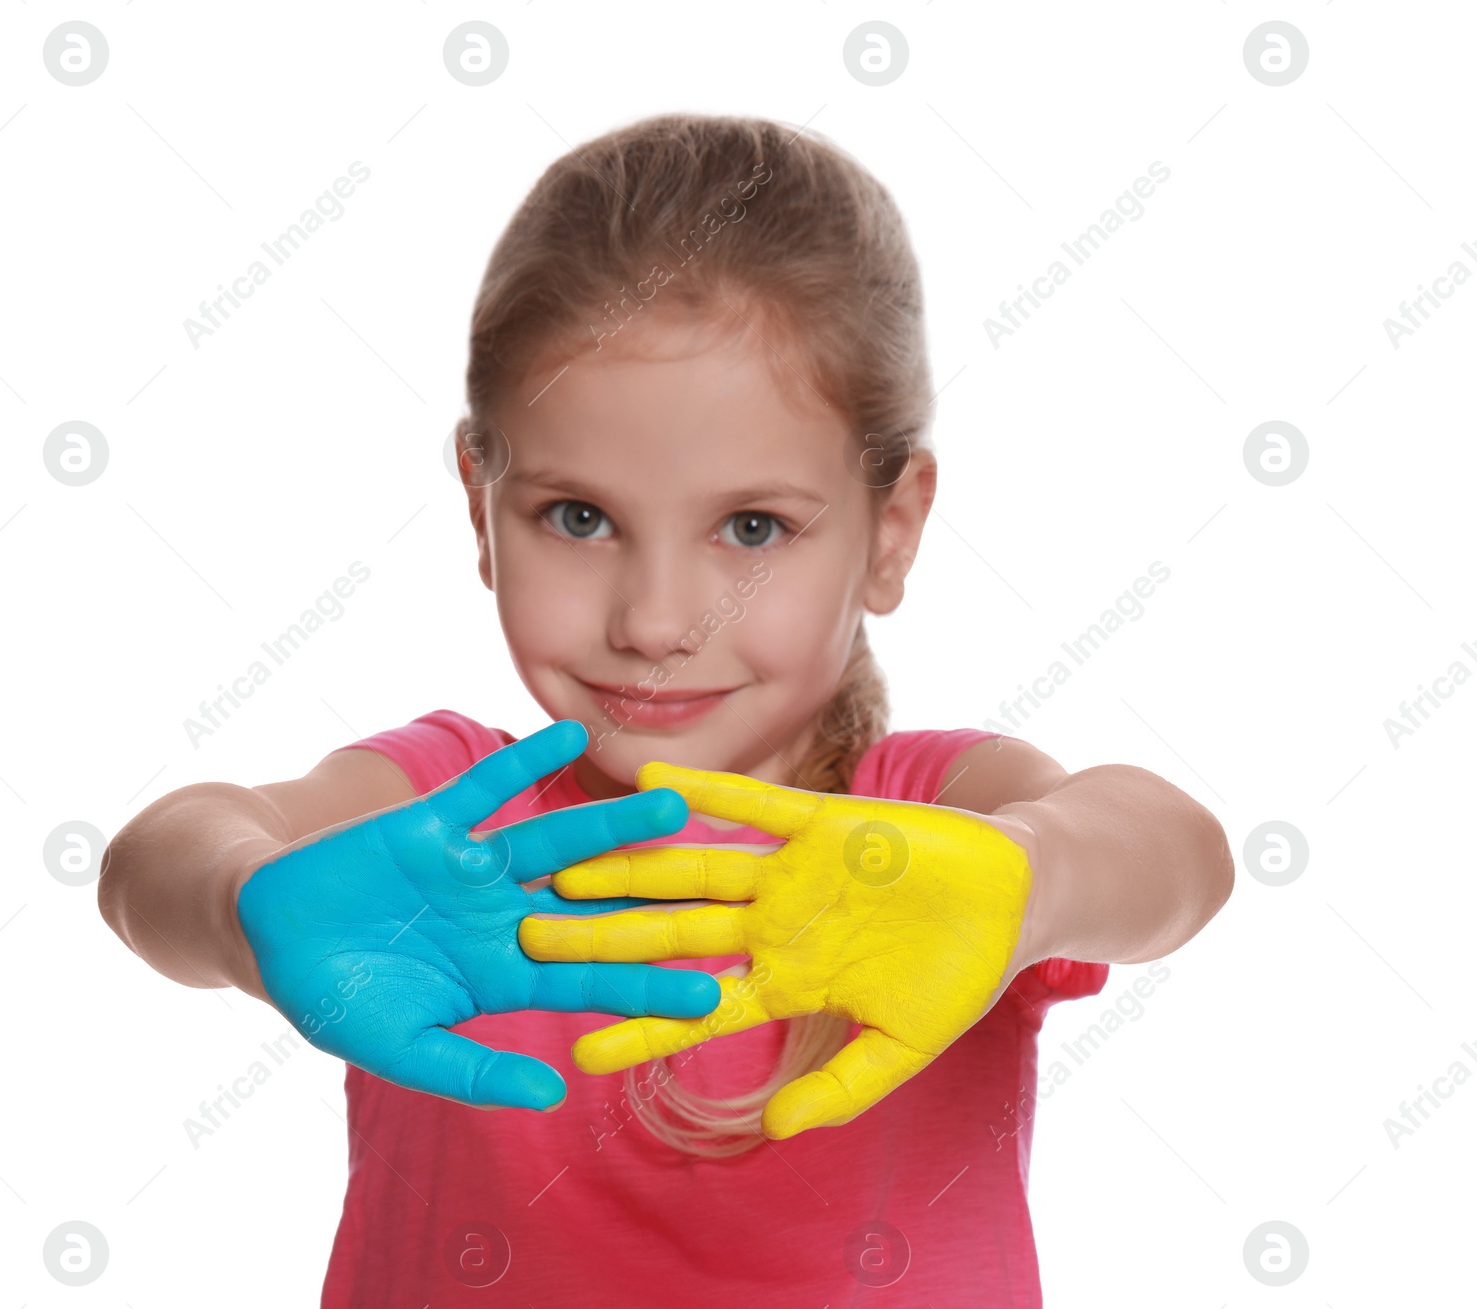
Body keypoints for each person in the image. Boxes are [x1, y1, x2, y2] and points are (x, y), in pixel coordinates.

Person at [98, 112, 1234, 1307]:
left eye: (752, 529)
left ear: (890, 529)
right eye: (578, 517)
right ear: (482, 503)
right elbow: (158, 856)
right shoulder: (441, 818)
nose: (654, 621)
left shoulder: (933, 822)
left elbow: (1175, 856)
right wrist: (236, 906)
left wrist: (1033, 872)